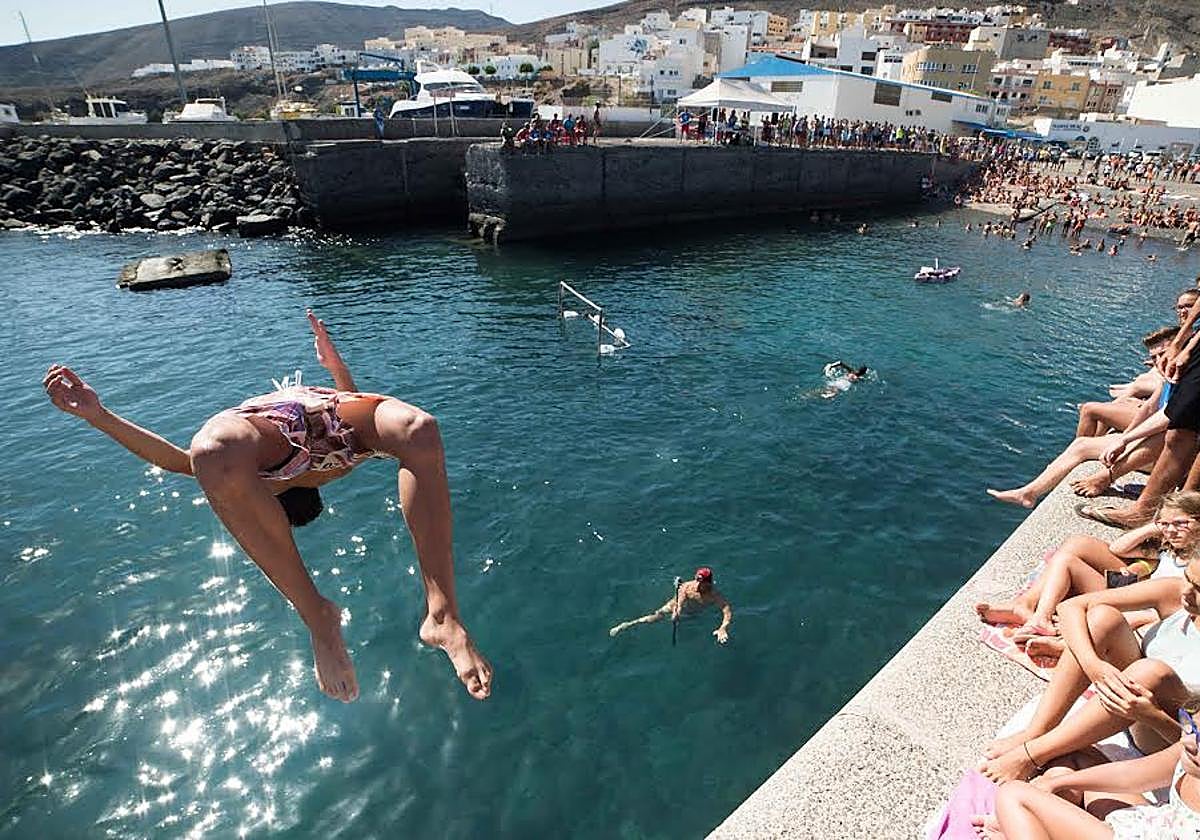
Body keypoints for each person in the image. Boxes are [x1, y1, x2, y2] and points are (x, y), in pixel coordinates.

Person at [42, 311, 492, 704]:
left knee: (212, 456)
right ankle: (431, 612)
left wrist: (100, 417)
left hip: (294, 428)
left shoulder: (280, 471)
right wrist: (335, 365)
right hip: (327, 422)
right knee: (419, 430)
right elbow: (348, 405)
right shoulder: (330, 467)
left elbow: (177, 460)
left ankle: (385, 616)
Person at [978, 556, 1200, 784]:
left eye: (1199, 588)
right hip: (1131, 701)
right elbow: (1071, 607)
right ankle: (1037, 731)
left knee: (1150, 672)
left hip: (1169, 738)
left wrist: (1152, 715)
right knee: (1103, 618)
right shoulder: (1174, 592)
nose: (1186, 592)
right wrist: (1094, 666)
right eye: (1187, 579)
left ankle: (1033, 754)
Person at [976, 491, 1200, 649]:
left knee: (1069, 565)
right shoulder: (1169, 545)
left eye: (1180, 523)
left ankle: (1062, 642)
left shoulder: (1196, 559)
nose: (1171, 530)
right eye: (1165, 524)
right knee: (1071, 550)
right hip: (1131, 589)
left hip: (1148, 607)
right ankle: (1031, 610)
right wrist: (1156, 527)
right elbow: (1117, 548)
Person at [987, 326, 1179, 509]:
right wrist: (1122, 438)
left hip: (1173, 460)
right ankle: (1033, 489)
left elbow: (1169, 420)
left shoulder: (1186, 380)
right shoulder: (1170, 377)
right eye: (1154, 358)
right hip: (1159, 448)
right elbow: (1148, 408)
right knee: (1086, 441)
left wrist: (1124, 441)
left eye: (1163, 354)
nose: (1159, 361)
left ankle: (1030, 494)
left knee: (1082, 445)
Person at [985, 731, 1200, 839]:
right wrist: (1053, 783)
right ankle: (1032, 824)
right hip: (1150, 825)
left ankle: (1028, 823)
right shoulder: (1190, 749)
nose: (1189, 742)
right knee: (1079, 755)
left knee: (1013, 795)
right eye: (1191, 726)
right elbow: (1132, 775)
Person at [608, 567, 732, 644]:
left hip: (694, 613)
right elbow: (680, 602)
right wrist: (677, 612)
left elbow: (727, 611)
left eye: (701, 582)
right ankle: (627, 625)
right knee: (655, 617)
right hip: (675, 606)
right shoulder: (687, 587)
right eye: (697, 580)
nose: (698, 584)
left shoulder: (714, 595)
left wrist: (723, 628)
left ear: (708, 582)